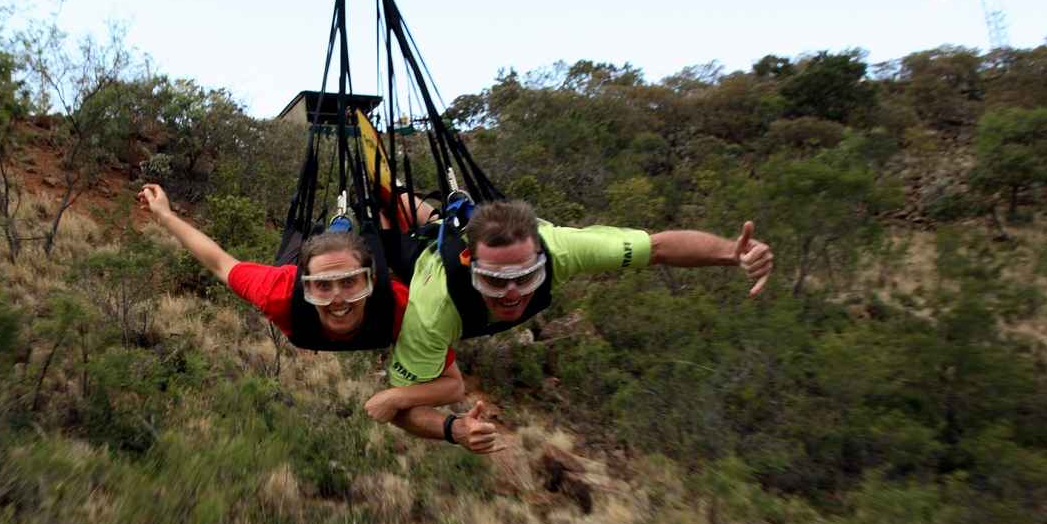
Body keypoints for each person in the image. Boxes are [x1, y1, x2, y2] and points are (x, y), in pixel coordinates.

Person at [384, 199, 775, 449]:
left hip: (476, 252)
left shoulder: (563, 248)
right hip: (425, 263)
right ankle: (399, 199)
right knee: (400, 235)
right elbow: (401, 403)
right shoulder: (433, 311)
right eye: (495, 281)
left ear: (543, 256)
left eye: (527, 276)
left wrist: (730, 252)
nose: (512, 294)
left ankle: (420, 204)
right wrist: (454, 429)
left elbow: (657, 247)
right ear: (472, 266)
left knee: (437, 216)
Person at [135, 184, 478, 429]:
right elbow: (220, 264)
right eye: (322, 286)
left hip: (390, 284)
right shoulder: (281, 292)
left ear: (371, 282)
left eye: (350, 283)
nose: (337, 299)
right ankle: (376, 210)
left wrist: (396, 397)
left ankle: (394, 193)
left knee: (422, 236)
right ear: (305, 286)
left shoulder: (402, 307)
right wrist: (165, 216)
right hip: (315, 284)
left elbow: (454, 385)